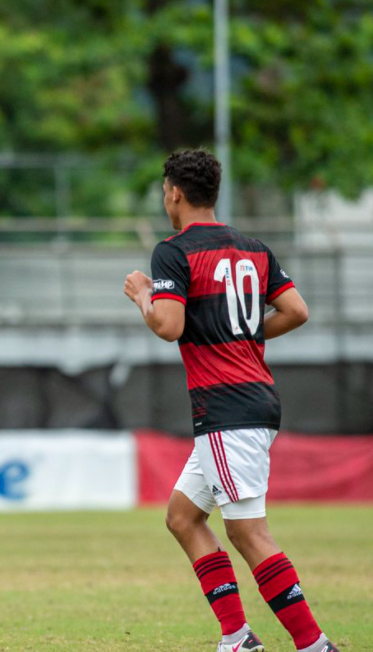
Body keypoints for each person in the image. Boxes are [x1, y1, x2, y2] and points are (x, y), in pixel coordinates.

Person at [123, 149, 338, 652]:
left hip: (226, 408)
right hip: (255, 400)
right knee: (182, 517)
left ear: (175, 192)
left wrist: (141, 295)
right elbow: (296, 310)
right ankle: (237, 636)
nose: (165, 199)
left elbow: (168, 325)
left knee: (248, 534)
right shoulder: (253, 248)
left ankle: (314, 644)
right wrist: (240, 334)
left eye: (164, 191)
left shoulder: (174, 251)